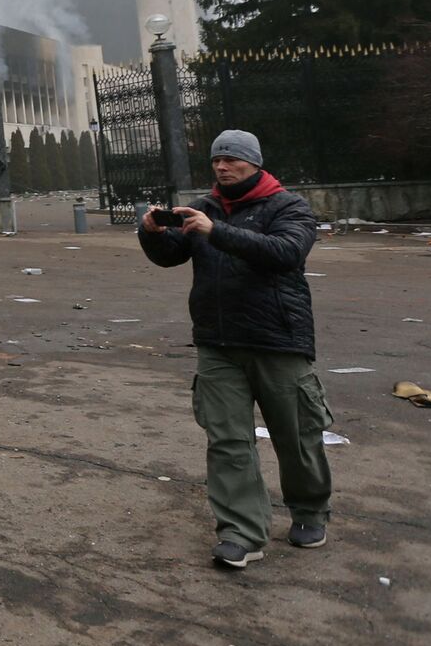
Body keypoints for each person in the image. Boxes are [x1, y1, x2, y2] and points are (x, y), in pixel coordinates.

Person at [138, 129, 333, 569]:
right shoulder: (204, 207)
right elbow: (171, 255)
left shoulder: (289, 206)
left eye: (231, 159)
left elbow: (286, 252)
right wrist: (151, 232)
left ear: (254, 163)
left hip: (278, 340)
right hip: (218, 341)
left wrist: (218, 231)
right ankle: (241, 531)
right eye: (216, 161)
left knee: (296, 436)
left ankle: (309, 510)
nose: (222, 167)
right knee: (227, 440)